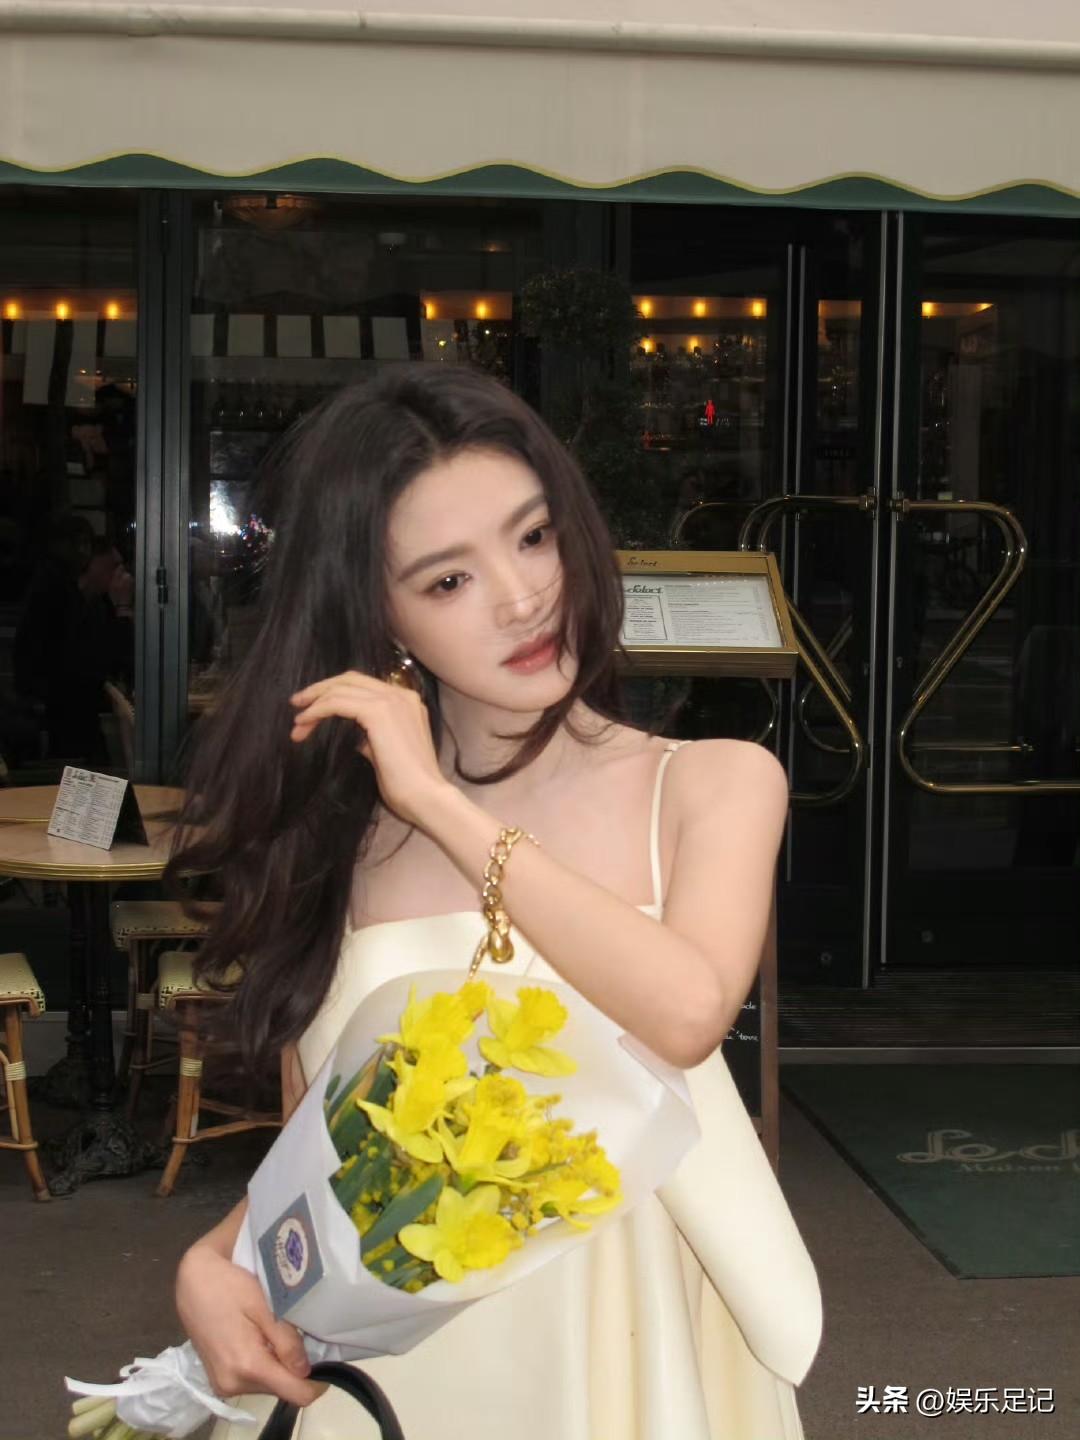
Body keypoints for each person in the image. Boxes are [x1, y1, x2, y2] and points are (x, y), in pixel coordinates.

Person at [168, 367, 822, 1439]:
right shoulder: (343, 841)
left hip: (624, 1354)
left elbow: (688, 1010)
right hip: (400, 1374)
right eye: (447, 580)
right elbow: (333, 1147)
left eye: (533, 537)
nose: (521, 598)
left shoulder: (712, 783)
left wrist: (438, 803)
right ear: (379, 617)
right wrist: (215, 1257)